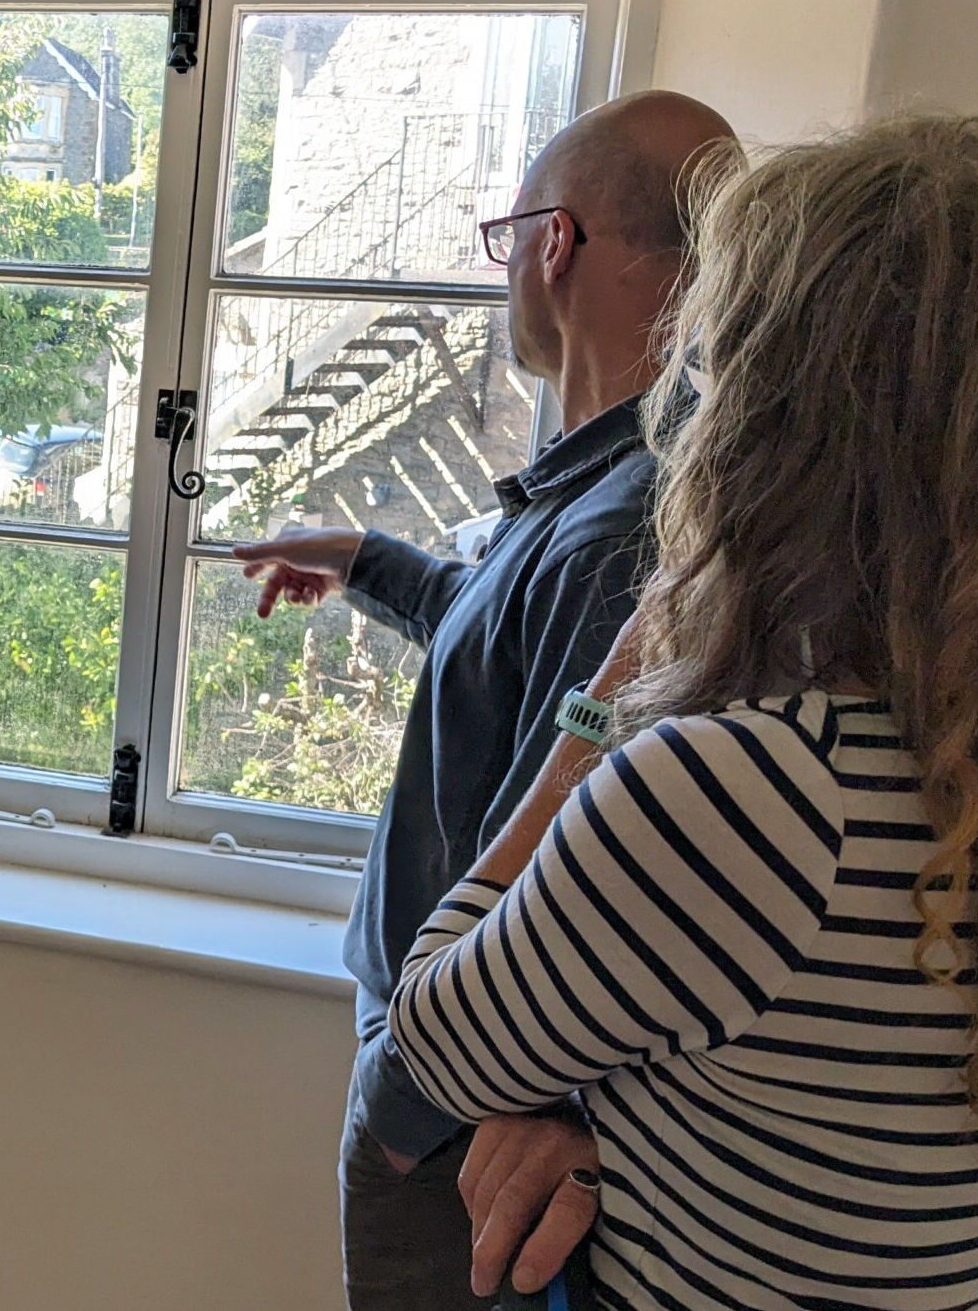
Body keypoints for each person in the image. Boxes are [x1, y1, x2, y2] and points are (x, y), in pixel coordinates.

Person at [389, 113, 978, 1309]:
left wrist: (604, 702)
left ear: (783, 418)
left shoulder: (755, 788)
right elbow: (856, 1106)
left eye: (721, 362)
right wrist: (645, 1134)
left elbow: (438, 1031)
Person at [235, 90, 738, 1310]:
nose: (506, 262)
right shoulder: (600, 495)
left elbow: (555, 870)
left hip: (461, 1110)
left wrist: (399, 1110)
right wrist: (371, 562)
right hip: (453, 1085)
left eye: (506, 232)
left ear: (553, 242)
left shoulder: (617, 532)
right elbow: (515, 659)